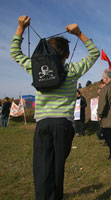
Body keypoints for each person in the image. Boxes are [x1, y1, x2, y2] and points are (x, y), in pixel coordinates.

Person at [10, 15, 100, 199]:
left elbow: (15, 53)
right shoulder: (72, 70)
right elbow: (94, 53)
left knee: (43, 168)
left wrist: (21, 28)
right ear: (67, 55)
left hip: (43, 124)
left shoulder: (36, 69)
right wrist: (78, 33)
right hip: (64, 125)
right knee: (58, 167)